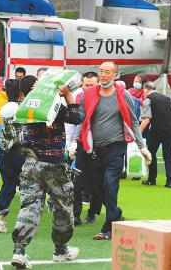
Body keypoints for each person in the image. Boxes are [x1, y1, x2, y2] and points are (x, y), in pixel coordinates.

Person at [11, 80, 82, 268]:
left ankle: (19, 251)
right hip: (53, 165)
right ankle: (60, 250)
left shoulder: (24, 107)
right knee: (63, 207)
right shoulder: (51, 105)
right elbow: (76, 117)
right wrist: (68, 95)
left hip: (30, 164)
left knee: (29, 207)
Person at [78, 61, 151, 241]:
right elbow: (82, 120)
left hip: (116, 147)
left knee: (111, 185)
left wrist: (142, 146)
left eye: (107, 72)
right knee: (98, 189)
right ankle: (116, 213)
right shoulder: (88, 95)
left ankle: (108, 228)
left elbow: (133, 121)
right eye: (101, 71)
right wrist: (73, 141)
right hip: (95, 150)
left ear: (115, 75)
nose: (102, 75)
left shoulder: (123, 95)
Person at [66, 71, 103, 225]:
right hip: (82, 143)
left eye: (91, 85)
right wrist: (73, 141)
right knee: (77, 181)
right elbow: (78, 122)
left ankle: (92, 212)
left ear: (98, 83)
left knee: (97, 182)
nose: (88, 88)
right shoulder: (79, 97)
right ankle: (75, 215)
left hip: (99, 144)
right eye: (86, 85)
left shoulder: (105, 98)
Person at [0, 79, 26, 233]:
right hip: (20, 151)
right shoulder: (22, 108)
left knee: (7, 185)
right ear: (21, 93)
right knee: (28, 186)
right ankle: (25, 222)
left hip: (4, 151)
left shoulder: (5, 108)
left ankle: (0, 220)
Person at [140, 82, 171, 188]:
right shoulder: (168, 98)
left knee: (151, 153)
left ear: (146, 89)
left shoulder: (147, 100)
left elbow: (147, 119)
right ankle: (170, 181)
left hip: (156, 130)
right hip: (169, 130)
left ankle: (152, 179)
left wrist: (138, 132)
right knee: (168, 155)